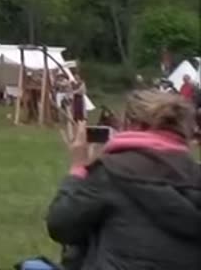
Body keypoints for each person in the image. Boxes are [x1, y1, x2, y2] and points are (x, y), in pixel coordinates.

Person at [46, 90, 201, 270]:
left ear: (131, 123)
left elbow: (61, 225)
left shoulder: (111, 171)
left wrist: (78, 168)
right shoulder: (196, 174)